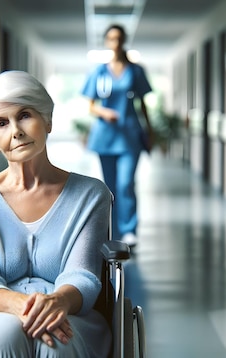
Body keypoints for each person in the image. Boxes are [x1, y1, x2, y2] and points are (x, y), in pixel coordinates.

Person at [0, 70, 112, 357]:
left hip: (68, 314)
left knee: (57, 343)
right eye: (1, 123)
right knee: (4, 333)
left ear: (48, 121)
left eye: (25, 115)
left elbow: (83, 276)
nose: (16, 130)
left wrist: (56, 303)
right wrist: (24, 307)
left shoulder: (91, 195)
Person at [81, 23, 153, 247]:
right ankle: (113, 229)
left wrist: (149, 130)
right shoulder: (99, 71)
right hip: (106, 135)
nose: (116, 42)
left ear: (124, 40)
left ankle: (129, 229)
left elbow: (143, 103)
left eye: (120, 38)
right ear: (106, 42)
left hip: (130, 134)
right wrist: (104, 111)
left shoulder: (136, 70)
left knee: (126, 184)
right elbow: (91, 105)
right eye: (111, 38)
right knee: (110, 187)